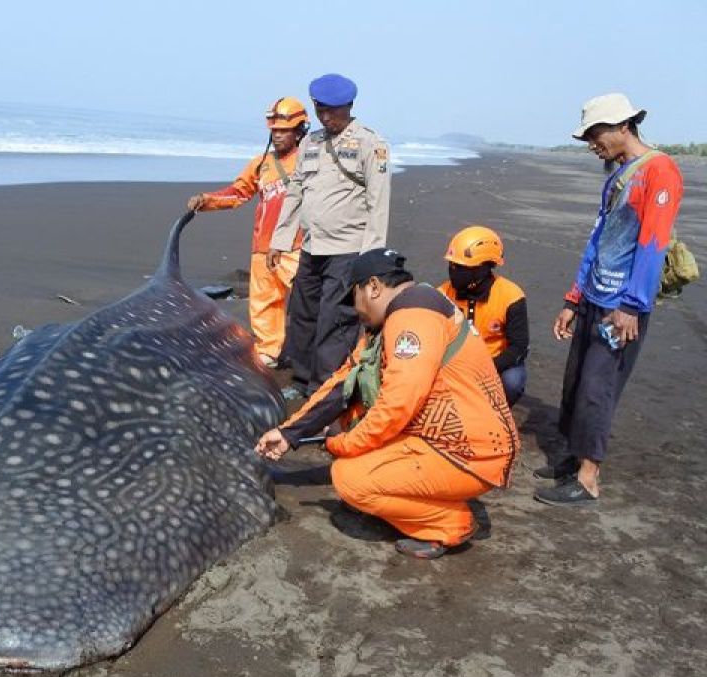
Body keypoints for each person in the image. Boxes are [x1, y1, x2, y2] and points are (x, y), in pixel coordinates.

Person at [255, 249, 519, 559]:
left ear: (374, 287)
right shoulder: (399, 314)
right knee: (351, 427)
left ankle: (449, 524)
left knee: (349, 480)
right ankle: (420, 495)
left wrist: (343, 445)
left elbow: (397, 405)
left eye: (355, 298)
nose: (356, 310)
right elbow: (343, 383)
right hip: (449, 439)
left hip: (471, 451)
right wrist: (289, 433)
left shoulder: (413, 320)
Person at [534, 93, 683, 506]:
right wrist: (573, 298)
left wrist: (631, 306)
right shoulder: (619, 173)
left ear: (623, 126)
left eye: (596, 134)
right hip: (595, 296)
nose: (591, 144)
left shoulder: (660, 171)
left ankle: (587, 479)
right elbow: (598, 240)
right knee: (576, 383)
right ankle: (570, 460)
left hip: (621, 305)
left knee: (598, 387)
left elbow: (652, 244)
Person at [267, 73, 391, 401]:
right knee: (304, 312)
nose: (327, 117)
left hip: (349, 248)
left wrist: (371, 257)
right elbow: (295, 192)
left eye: (333, 111)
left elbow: (379, 202)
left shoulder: (369, 143)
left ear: (349, 106)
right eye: (321, 110)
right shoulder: (310, 142)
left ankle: (323, 386)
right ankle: (303, 376)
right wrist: (280, 240)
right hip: (312, 246)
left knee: (334, 318)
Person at [188, 98, 307, 367]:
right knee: (264, 303)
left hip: (297, 244)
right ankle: (269, 351)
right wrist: (206, 200)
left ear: (300, 130)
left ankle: (312, 354)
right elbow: (239, 192)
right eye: (274, 130)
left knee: (308, 302)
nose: (277, 135)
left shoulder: (309, 161)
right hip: (263, 246)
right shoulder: (261, 163)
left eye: (284, 130)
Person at [437, 225, 529, 405]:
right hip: (454, 364)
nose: (453, 271)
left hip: (495, 364)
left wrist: (486, 368)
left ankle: (497, 412)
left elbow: (519, 347)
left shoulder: (511, 296)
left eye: (460, 267)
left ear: (482, 268)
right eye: (452, 265)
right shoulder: (442, 294)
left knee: (512, 381)